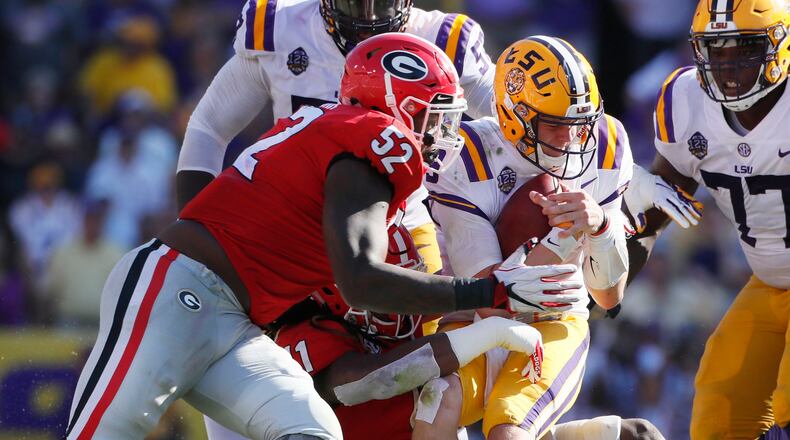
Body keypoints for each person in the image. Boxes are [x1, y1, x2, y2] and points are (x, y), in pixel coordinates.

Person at [65, 33, 581, 440]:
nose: (442, 137)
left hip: (237, 320)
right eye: (433, 119)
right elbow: (360, 280)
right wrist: (489, 295)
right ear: (396, 109)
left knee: (310, 428)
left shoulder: (329, 129)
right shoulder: (371, 139)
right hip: (180, 290)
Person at [177, 0, 496, 275]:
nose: (368, 19)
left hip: (402, 225)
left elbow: (513, 111)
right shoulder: (283, 29)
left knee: (423, 331)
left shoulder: (439, 37)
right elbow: (209, 127)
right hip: (293, 227)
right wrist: (195, 228)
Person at [417, 36, 635, 440]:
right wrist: (563, 238)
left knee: (508, 430)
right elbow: (491, 308)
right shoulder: (466, 156)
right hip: (470, 318)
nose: (571, 139)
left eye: (580, 123)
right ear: (514, 115)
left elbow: (609, 296)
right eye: (556, 124)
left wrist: (601, 225)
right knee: (433, 402)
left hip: (556, 321)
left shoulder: (606, 144)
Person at [635, 0, 790, 437]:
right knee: (719, 410)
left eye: (743, 49)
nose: (727, 66)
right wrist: (612, 268)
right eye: (715, 51)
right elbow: (663, 201)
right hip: (772, 281)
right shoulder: (687, 102)